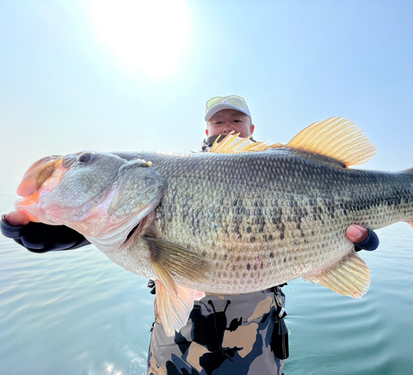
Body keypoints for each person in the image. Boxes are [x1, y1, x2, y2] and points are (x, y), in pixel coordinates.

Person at [1, 95, 379, 375]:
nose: (227, 126)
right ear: (206, 130)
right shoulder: (166, 175)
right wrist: (53, 231)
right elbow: (107, 223)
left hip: (257, 345)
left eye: (236, 119)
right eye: (218, 121)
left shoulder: (289, 168)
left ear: (251, 130)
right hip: (177, 346)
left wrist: (349, 243)